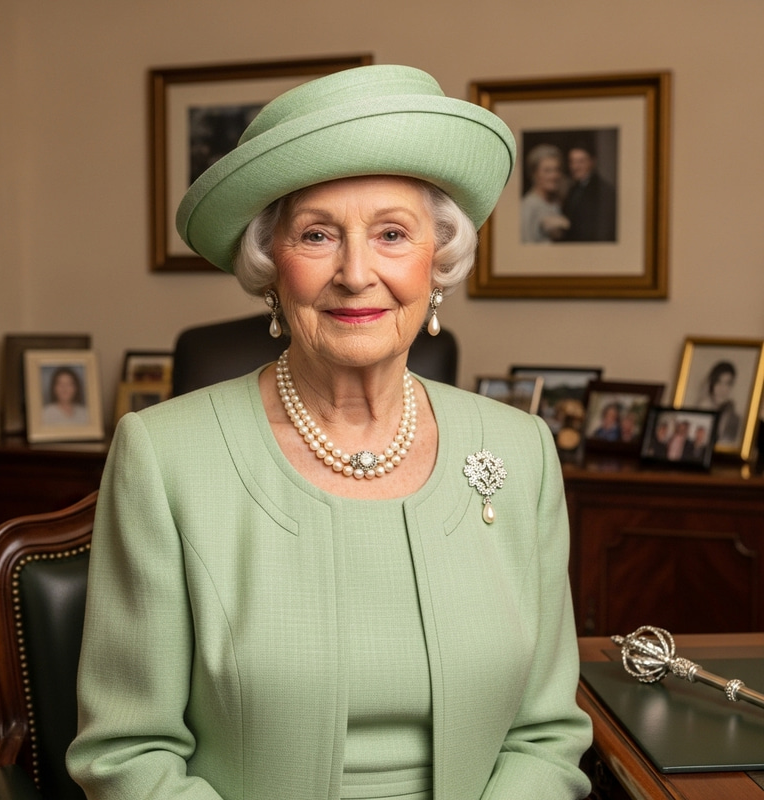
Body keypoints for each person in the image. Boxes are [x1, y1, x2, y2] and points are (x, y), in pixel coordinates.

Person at [67, 65, 592, 800]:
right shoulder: (163, 457)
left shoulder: (521, 451)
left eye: (391, 234)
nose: (355, 273)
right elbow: (130, 753)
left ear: (436, 260)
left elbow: (545, 734)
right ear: (270, 265)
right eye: (316, 235)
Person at [561, 144, 617, 242]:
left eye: (581, 162)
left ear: (592, 162)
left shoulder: (603, 191)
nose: (575, 167)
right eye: (572, 162)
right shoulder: (573, 188)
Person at [519, 143, 570, 242]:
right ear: (534, 174)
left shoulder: (557, 202)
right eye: (547, 171)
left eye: (557, 170)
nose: (554, 176)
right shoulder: (528, 206)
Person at [698, 360, 741, 445]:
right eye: (719, 382)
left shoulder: (735, 419)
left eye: (727, 384)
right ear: (712, 383)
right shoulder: (701, 408)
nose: (722, 389)